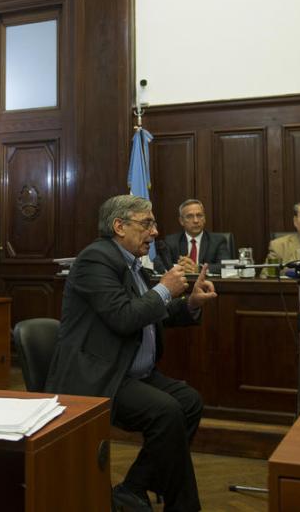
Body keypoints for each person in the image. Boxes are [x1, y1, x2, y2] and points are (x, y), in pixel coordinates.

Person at [45, 195, 218, 512]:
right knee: (167, 412)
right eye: (147, 223)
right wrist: (164, 288)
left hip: (132, 372)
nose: (154, 232)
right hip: (100, 375)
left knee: (189, 402)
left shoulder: (132, 263)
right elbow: (124, 317)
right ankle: (172, 503)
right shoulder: (95, 260)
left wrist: (190, 303)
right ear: (119, 226)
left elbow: (151, 312)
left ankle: (133, 488)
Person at [157, 199, 231, 272]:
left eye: (199, 215)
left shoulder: (217, 241)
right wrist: (179, 267)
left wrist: (199, 269)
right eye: (189, 216)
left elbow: (226, 266)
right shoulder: (171, 241)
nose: (196, 221)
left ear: (204, 218)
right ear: (181, 221)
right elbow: (157, 264)